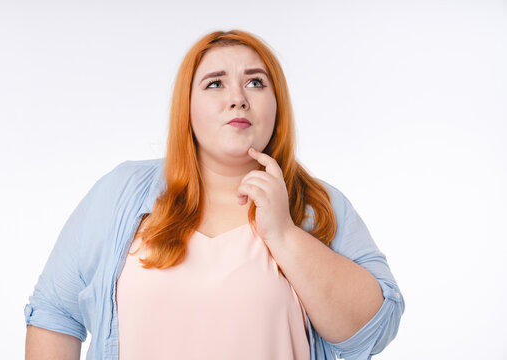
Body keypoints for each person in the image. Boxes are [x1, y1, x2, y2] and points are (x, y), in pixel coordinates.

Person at [24, 29, 404, 360]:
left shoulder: (319, 206)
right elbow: (55, 314)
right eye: (215, 83)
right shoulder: (120, 193)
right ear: (186, 107)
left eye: (256, 82)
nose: (238, 98)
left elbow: (374, 329)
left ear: (278, 104)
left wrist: (284, 234)